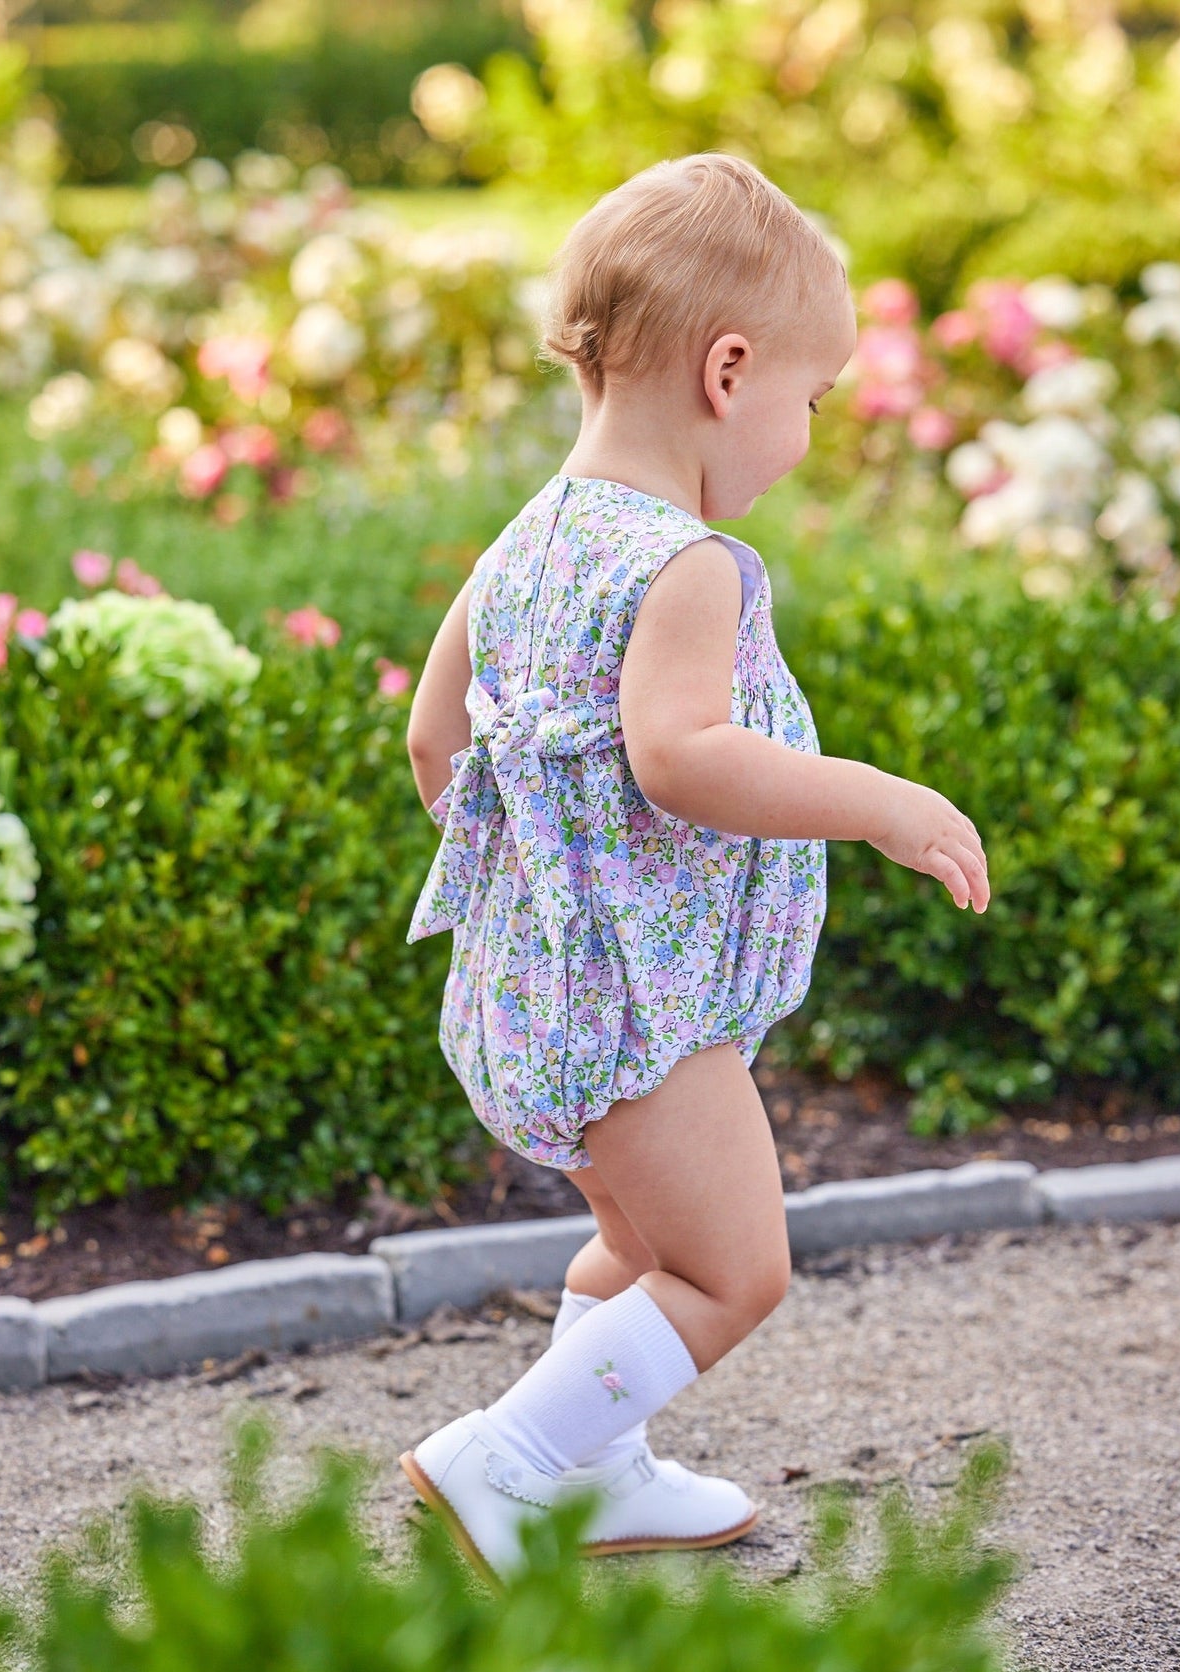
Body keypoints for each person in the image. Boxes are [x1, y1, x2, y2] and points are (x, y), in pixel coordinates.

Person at [399, 151, 991, 1588]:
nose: (810, 428)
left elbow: (435, 737)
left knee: (630, 1253)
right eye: (815, 396)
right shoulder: (686, 564)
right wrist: (876, 802)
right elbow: (681, 755)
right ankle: (517, 1459)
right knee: (734, 1270)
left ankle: (592, 1465)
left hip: (544, 993)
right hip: (644, 1016)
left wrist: (544, 898)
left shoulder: (524, 539)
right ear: (729, 372)